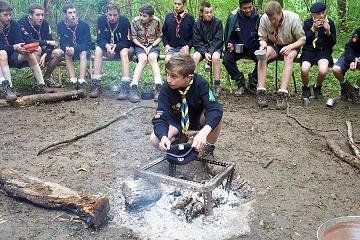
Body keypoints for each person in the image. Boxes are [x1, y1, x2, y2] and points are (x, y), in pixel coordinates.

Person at [150, 52, 223, 157]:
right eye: (168, 74)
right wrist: (163, 137)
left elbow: (215, 108)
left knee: (217, 117)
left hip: (197, 119)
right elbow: (160, 116)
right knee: (154, 139)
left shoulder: (201, 84)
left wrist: (204, 132)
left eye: (174, 76)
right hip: (175, 122)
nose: (168, 80)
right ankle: (178, 140)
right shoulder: (166, 88)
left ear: (188, 77)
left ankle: (208, 149)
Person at [257, 0, 305, 109]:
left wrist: (290, 47)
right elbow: (262, 38)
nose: (273, 22)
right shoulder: (264, 19)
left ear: (280, 13)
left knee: (288, 57)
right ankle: (261, 92)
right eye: (271, 19)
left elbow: (302, 40)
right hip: (273, 44)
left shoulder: (293, 18)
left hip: (291, 44)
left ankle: (282, 94)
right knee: (262, 56)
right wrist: (263, 45)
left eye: (275, 18)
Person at [0, 0, 52, 101]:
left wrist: (22, 48)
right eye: (5, 15)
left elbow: (19, 40)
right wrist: (14, 47)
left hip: (11, 56)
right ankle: (9, 88)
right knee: (2, 53)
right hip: (2, 57)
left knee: (29, 54)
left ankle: (41, 85)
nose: (9, 17)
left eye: (10, 14)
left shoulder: (14, 24)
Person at [91, 2, 132, 98]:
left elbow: (128, 41)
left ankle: (125, 87)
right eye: (110, 15)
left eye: (115, 15)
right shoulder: (101, 20)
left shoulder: (125, 21)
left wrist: (116, 46)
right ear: (106, 13)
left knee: (124, 51)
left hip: (121, 50)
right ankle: (96, 85)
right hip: (107, 50)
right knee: (98, 49)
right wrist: (107, 46)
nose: (112, 17)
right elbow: (99, 39)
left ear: (119, 13)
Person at [18, 3, 63, 89]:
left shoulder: (45, 24)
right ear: (30, 15)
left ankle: (46, 78)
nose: (41, 18)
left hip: (41, 52)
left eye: (42, 15)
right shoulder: (22, 23)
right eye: (38, 15)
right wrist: (47, 42)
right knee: (37, 48)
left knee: (59, 52)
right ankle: (39, 82)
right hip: (27, 53)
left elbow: (52, 43)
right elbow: (29, 41)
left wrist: (45, 54)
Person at [223, 0, 260, 96]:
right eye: (245, 8)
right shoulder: (233, 17)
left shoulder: (259, 17)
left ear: (253, 5)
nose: (248, 10)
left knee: (264, 59)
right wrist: (231, 44)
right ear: (240, 7)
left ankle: (253, 82)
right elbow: (230, 35)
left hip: (254, 47)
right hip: (238, 47)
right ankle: (240, 82)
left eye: (250, 7)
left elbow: (263, 36)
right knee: (227, 59)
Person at [300, 2, 336, 100]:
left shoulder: (330, 23)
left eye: (322, 13)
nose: (321, 16)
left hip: (323, 50)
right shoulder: (307, 23)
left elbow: (333, 42)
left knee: (323, 70)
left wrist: (328, 31)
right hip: (309, 50)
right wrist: (313, 29)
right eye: (318, 14)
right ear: (312, 14)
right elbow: (305, 41)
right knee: (304, 69)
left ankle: (317, 87)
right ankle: (305, 87)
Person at [129, 4, 162, 103]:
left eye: (144, 16)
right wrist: (143, 47)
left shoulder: (156, 21)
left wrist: (151, 47)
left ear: (150, 17)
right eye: (140, 15)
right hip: (140, 45)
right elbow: (133, 38)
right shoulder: (135, 21)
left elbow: (160, 37)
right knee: (143, 58)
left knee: (152, 58)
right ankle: (133, 87)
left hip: (153, 44)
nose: (141, 18)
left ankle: (158, 87)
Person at [57, 3, 91, 90]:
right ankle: (73, 81)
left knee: (83, 53)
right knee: (67, 53)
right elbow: (62, 42)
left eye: (74, 12)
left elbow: (87, 43)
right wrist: (67, 48)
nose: (73, 15)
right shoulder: (60, 25)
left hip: (82, 49)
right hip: (70, 51)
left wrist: (75, 48)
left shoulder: (84, 25)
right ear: (65, 14)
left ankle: (81, 81)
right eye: (70, 13)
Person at [193, 1, 223, 97]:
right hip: (202, 49)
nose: (209, 14)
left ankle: (217, 85)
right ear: (201, 13)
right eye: (207, 12)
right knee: (195, 57)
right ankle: (194, 84)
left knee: (215, 57)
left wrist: (209, 52)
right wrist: (205, 52)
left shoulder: (218, 22)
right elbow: (196, 41)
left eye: (211, 12)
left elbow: (218, 40)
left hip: (215, 48)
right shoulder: (197, 24)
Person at [332, 27, 360, 103]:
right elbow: (349, 46)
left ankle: (355, 89)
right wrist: (351, 61)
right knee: (336, 69)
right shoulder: (358, 31)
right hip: (350, 54)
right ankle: (346, 87)